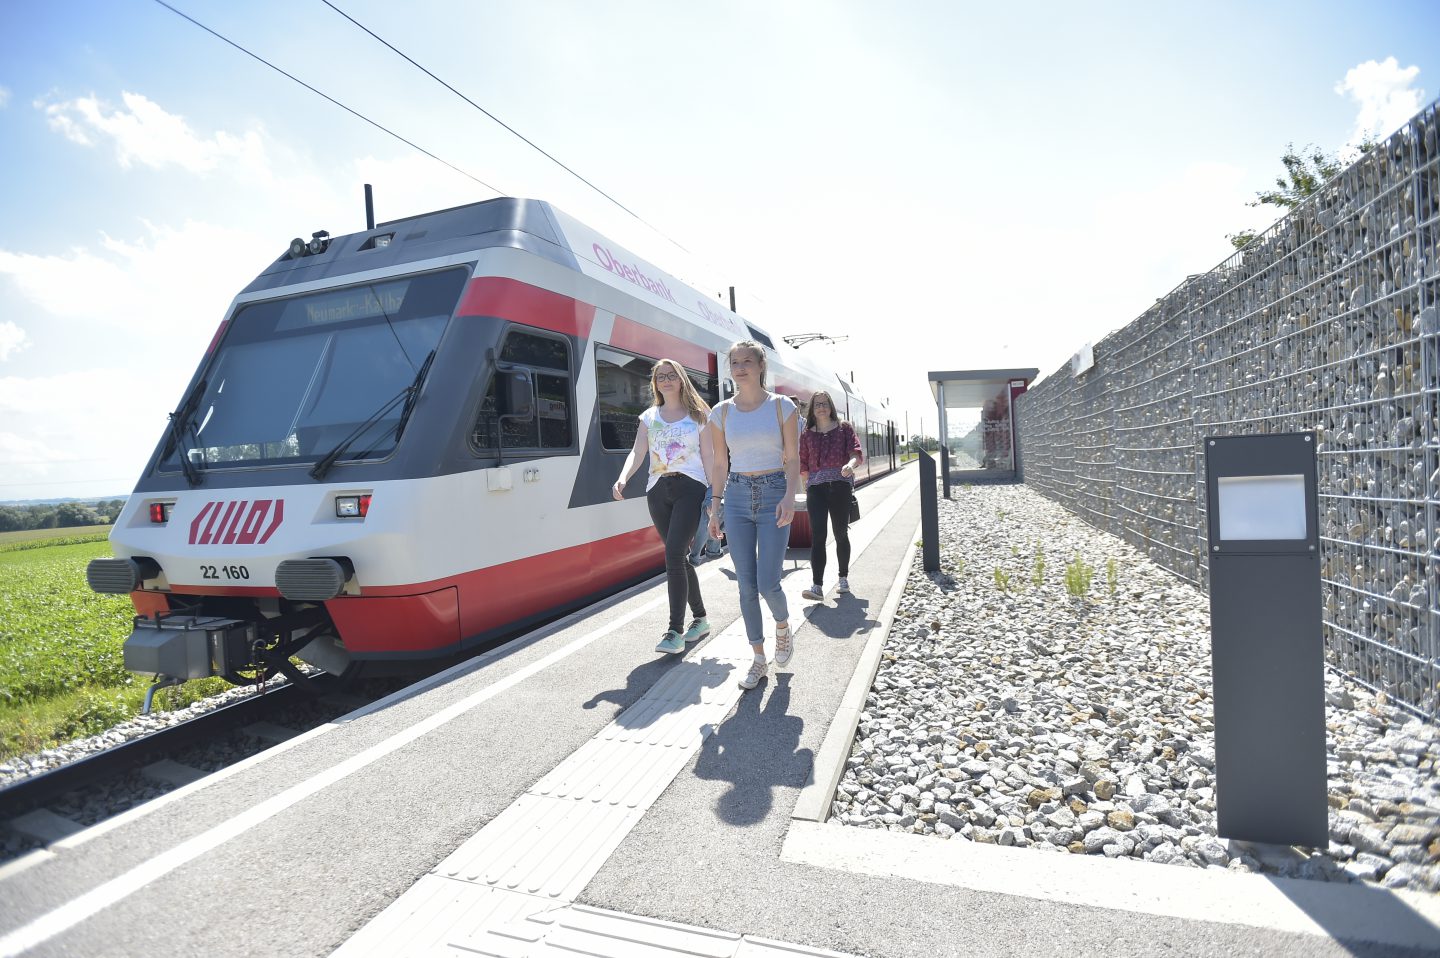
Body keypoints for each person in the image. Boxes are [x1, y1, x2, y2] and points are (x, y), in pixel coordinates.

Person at [707, 340, 800, 690]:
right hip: (737, 495)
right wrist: (715, 508)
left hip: (775, 490)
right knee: (745, 586)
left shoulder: (782, 407)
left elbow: (793, 459)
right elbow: (719, 462)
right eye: (734, 362)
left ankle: (782, 624)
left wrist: (790, 496)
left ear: (761, 366)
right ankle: (758, 659)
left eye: (748, 361)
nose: (740, 367)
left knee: (767, 582)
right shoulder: (721, 413)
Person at [613, 359, 714, 654]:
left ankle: (675, 630)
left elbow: (708, 456)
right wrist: (623, 478)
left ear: (681, 379)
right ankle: (701, 619)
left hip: (690, 487)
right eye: (661, 377)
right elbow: (637, 451)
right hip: (657, 490)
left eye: (671, 375)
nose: (666, 380)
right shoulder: (649, 417)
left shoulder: (699, 415)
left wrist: (713, 494)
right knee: (678, 557)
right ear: (655, 383)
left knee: (672, 554)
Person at [798, 390, 862, 600]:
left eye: (825, 404)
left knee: (840, 533)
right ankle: (817, 586)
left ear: (831, 406)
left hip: (840, 486)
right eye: (817, 405)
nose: (821, 408)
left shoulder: (844, 428)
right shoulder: (807, 433)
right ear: (812, 409)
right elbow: (803, 463)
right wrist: (806, 485)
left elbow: (855, 452)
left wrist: (850, 466)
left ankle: (843, 577)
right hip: (816, 489)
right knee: (818, 536)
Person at [689, 487, 725, 563]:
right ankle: (713, 552)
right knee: (716, 527)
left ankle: (695, 556)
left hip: (711, 494)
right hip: (722, 494)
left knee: (706, 527)